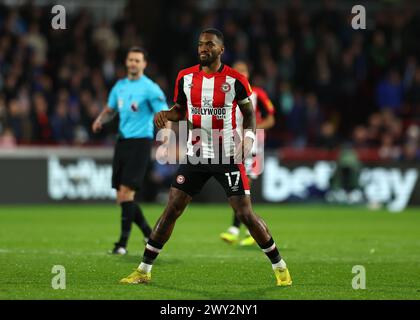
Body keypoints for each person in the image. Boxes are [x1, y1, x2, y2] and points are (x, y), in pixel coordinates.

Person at [120, 29, 292, 286]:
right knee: (172, 209)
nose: (203, 48)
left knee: (245, 214)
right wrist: (167, 114)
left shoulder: (235, 80)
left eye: (209, 45)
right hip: (196, 154)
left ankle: (280, 268)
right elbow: (181, 109)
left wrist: (248, 139)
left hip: (227, 154)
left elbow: (249, 114)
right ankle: (143, 271)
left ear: (220, 50)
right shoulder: (185, 77)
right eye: (200, 44)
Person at [92, 47, 169, 255]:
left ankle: (122, 245)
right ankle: (148, 232)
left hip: (141, 143)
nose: (133, 63)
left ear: (144, 64)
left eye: (137, 60)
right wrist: (100, 120)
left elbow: (164, 113)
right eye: (131, 60)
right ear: (127, 63)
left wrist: (167, 135)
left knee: (127, 193)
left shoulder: (150, 88)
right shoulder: (120, 86)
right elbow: (111, 109)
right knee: (121, 198)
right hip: (122, 142)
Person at [220, 60, 276, 246]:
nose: (241, 73)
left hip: (254, 143)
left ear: (248, 73)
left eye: (243, 70)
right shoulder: (227, 93)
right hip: (234, 141)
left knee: (245, 183)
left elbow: (271, 119)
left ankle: (236, 228)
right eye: (237, 71)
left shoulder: (258, 93)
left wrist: (253, 128)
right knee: (240, 184)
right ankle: (251, 229)